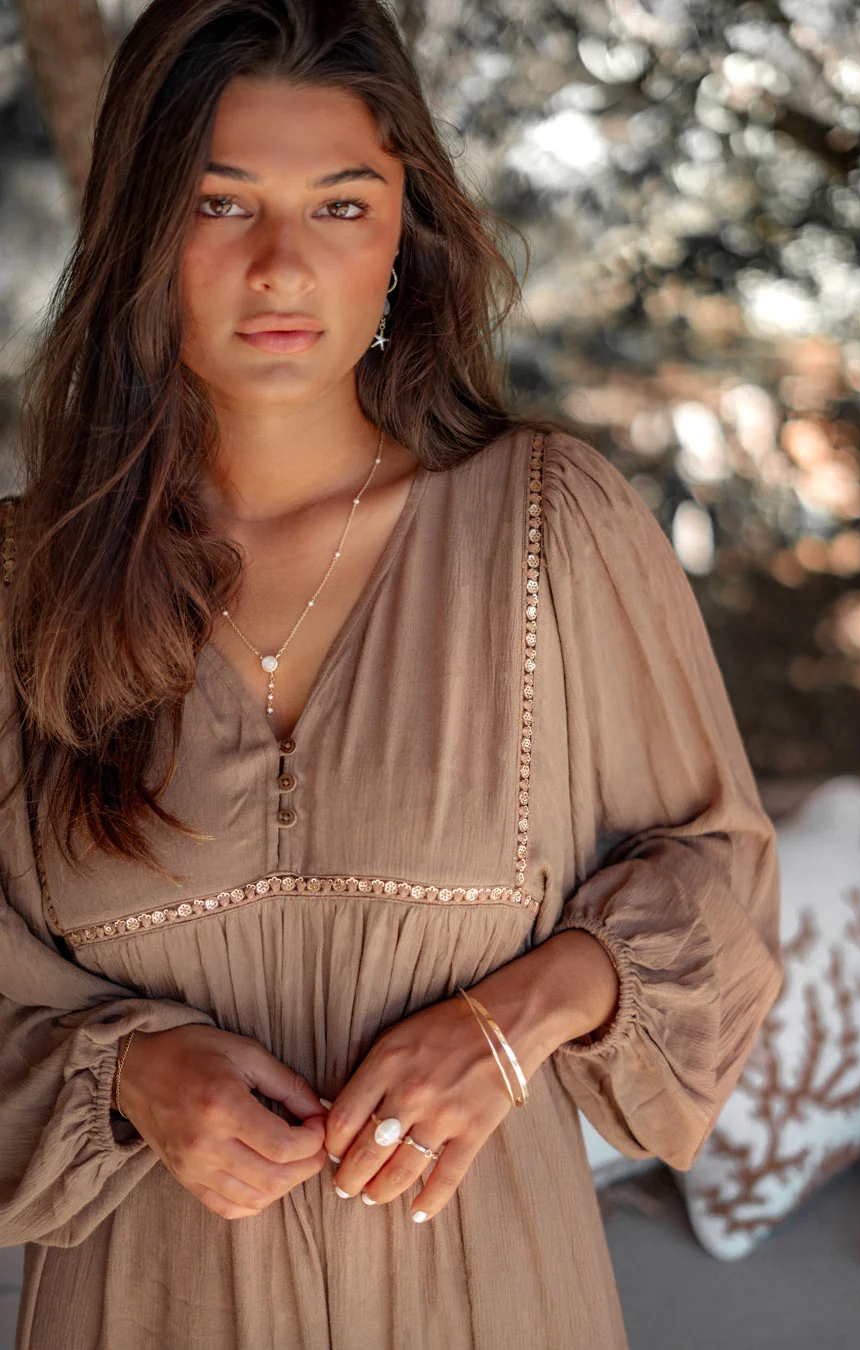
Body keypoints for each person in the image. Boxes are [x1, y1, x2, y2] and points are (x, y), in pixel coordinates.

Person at [0, 1, 783, 1346]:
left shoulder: (551, 526)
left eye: (341, 206)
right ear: (138, 231)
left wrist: (516, 1016)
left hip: (497, 1303)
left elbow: (720, 882)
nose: (282, 266)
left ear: (403, 235)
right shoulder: (30, 586)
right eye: (221, 204)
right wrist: (127, 1073)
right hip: (144, 1307)